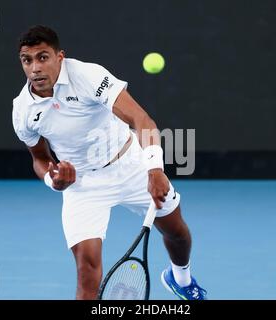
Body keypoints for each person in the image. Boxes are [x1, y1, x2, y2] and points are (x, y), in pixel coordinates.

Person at [12, 25, 207, 300]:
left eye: (42, 57)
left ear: (60, 57)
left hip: (131, 164)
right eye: (27, 60)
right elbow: (40, 159)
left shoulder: (88, 76)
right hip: (82, 185)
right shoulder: (22, 110)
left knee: (177, 233)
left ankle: (181, 279)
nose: (34, 68)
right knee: (87, 271)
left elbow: (142, 121)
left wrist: (155, 169)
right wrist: (53, 179)